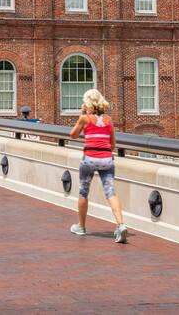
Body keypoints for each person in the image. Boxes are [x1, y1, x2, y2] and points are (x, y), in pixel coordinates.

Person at [68, 89, 128, 243]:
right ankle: (120, 225)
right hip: (107, 159)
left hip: (89, 159)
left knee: (83, 191)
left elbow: (73, 135)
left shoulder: (84, 118)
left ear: (87, 103)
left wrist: (82, 114)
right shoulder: (108, 119)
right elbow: (113, 143)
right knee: (110, 191)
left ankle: (81, 227)